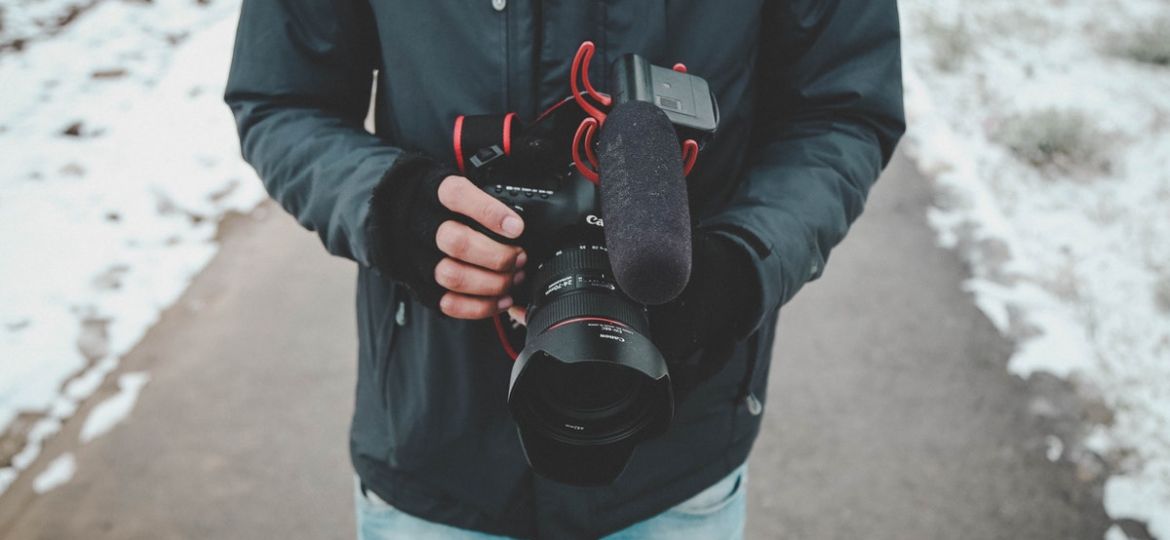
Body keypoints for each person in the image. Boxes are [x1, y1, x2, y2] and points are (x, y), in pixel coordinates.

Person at [225, 1, 904, 538]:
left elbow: (842, 108)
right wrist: (392, 209)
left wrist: (739, 267)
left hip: (676, 452)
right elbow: (281, 98)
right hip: (438, 444)